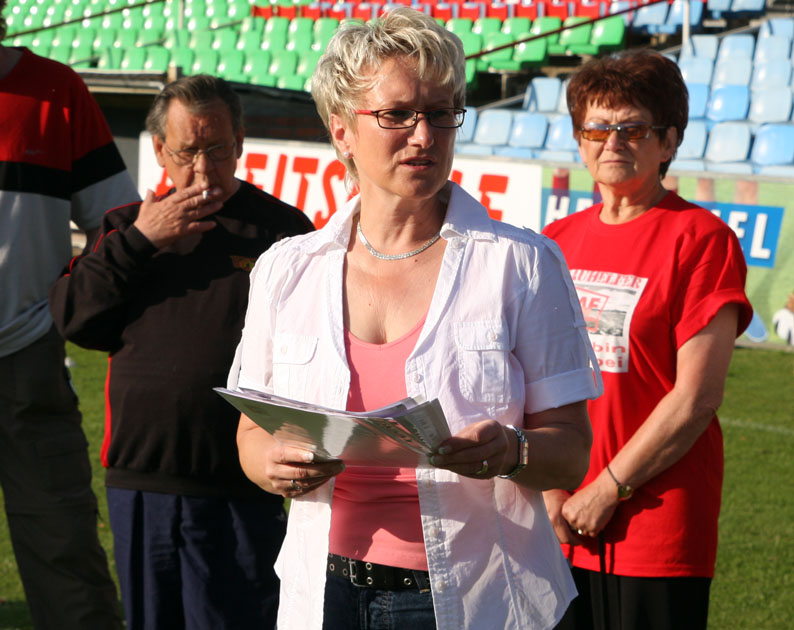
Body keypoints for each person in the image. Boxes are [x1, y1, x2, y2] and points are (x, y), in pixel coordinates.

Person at [231, 8, 601, 630]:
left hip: (480, 596)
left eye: (441, 112)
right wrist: (272, 465)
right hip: (322, 594)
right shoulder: (285, 269)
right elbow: (251, 433)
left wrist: (512, 451)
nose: (424, 135)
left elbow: (570, 452)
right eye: (398, 114)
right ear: (342, 130)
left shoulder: (521, 263)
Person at [49, 74, 314, 630]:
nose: (202, 169)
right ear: (159, 151)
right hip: (142, 481)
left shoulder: (284, 233)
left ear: (239, 142)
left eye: (216, 149)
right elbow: (75, 319)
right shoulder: (127, 228)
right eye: (187, 152)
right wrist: (141, 242)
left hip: (239, 484)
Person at [541, 50, 753, 630]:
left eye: (632, 128)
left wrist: (607, 489)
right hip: (558, 519)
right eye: (596, 128)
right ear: (580, 141)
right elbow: (535, 379)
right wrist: (552, 489)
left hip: (653, 524)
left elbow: (696, 397)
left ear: (668, 142)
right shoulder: (555, 240)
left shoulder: (701, 239)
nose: (612, 142)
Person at [0, 14, 139, 629]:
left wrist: (68, 305)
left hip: (28, 356)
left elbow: (117, 223)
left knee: (65, 556)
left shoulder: (56, 90)